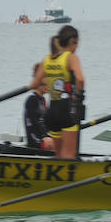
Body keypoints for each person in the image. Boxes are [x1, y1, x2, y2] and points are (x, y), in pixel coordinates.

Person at [33, 25, 84, 159]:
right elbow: (80, 79)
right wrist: (79, 96)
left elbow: (35, 84)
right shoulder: (71, 58)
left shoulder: (47, 59)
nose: (77, 47)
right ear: (72, 41)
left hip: (51, 112)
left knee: (59, 156)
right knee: (68, 156)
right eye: (77, 43)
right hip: (67, 112)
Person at [23, 62, 52, 151]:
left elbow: (46, 122)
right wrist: (45, 136)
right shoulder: (32, 100)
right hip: (35, 140)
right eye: (45, 82)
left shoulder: (42, 100)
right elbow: (34, 122)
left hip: (44, 137)